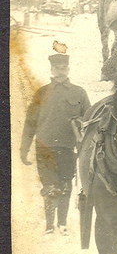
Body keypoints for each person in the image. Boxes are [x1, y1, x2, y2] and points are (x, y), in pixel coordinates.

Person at [20, 52, 91, 236]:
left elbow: (89, 122)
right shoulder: (41, 93)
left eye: (63, 68)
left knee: (66, 185)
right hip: (45, 147)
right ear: (51, 70)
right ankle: (49, 226)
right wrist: (24, 148)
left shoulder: (79, 93)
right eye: (56, 68)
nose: (60, 71)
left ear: (68, 69)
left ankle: (62, 224)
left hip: (68, 147)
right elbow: (30, 122)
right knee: (50, 186)